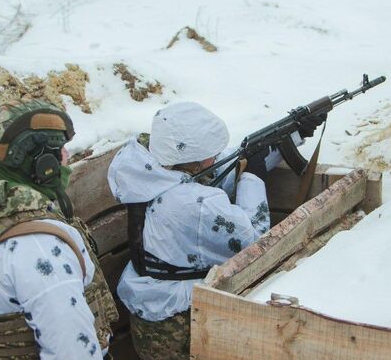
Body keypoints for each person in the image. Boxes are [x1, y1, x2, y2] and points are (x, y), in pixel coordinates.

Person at [107, 101, 324, 359]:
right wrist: (253, 177)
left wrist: (290, 136)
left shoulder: (150, 170)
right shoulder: (196, 205)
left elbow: (221, 168)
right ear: (195, 159)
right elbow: (254, 239)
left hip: (148, 311)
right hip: (180, 326)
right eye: (210, 153)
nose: (216, 156)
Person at [0, 98, 118, 360]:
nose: (67, 156)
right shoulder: (41, 250)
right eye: (60, 149)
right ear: (43, 163)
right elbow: (72, 350)